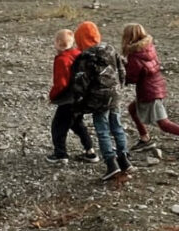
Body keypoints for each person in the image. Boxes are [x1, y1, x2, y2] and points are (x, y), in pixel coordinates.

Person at [122, 23, 179, 160]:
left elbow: (132, 77)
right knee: (133, 109)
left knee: (164, 124)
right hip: (156, 86)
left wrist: (122, 71)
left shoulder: (134, 56)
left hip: (149, 92)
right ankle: (145, 139)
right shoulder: (148, 48)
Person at [70, 21, 134, 181]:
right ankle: (124, 159)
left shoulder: (85, 56)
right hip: (115, 95)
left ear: (80, 40)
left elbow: (81, 82)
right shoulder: (110, 49)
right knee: (117, 126)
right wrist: (120, 87)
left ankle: (111, 163)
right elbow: (122, 70)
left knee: (103, 130)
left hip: (98, 99)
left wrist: (78, 101)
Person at [46, 29, 98, 164]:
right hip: (81, 97)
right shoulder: (79, 54)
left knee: (58, 126)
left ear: (57, 43)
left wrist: (52, 96)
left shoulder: (62, 60)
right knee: (77, 123)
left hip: (68, 99)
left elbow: (61, 83)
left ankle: (60, 154)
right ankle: (90, 151)